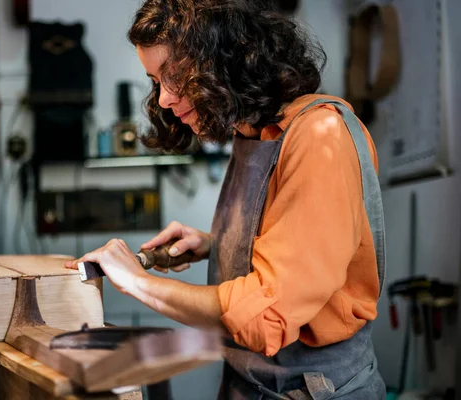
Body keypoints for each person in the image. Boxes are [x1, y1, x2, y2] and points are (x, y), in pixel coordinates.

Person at [65, 0, 387, 398]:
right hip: (249, 384)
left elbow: (268, 313)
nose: (164, 99)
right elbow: (303, 250)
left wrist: (138, 282)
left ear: (226, 59)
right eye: (155, 81)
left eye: (175, 76)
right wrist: (216, 246)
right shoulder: (252, 133)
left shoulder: (320, 136)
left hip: (313, 390)